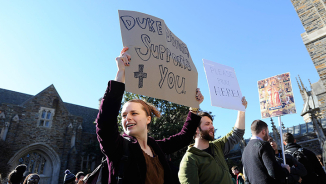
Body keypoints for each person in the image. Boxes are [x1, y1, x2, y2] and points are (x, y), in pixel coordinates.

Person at [96, 47, 204, 184]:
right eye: (123, 115)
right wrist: (121, 72)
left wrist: (194, 107)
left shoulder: (156, 147)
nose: (127, 118)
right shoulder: (118, 148)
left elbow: (184, 137)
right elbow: (104, 124)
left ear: (148, 119)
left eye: (134, 113)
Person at [178, 97, 247, 184]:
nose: (212, 127)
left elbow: (237, 134)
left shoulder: (217, 146)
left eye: (212, 123)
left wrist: (241, 110)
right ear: (196, 129)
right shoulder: (189, 160)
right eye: (207, 124)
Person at [242, 120, 290, 184]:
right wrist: (286, 170)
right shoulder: (264, 145)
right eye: (268, 132)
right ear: (264, 131)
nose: (268, 135)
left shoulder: (245, 150)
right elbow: (273, 172)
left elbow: (247, 177)